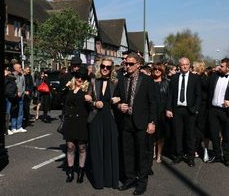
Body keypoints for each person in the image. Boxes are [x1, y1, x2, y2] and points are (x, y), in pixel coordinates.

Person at [114, 53, 157, 195]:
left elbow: (153, 102)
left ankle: (142, 182)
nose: (127, 66)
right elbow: (115, 98)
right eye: (126, 63)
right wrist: (119, 105)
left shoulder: (147, 80)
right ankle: (130, 179)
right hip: (125, 122)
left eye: (131, 64)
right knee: (127, 153)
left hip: (142, 123)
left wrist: (152, 122)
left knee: (142, 154)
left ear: (138, 64)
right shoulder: (122, 79)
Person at [86, 57, 120, 189]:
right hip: (96, 118)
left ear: (112, 69)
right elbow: (88, 99)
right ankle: (99, 181)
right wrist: (94, 103)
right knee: (96, 149)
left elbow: (122, 97)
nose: (105, 69)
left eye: (108, 67)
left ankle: (111, 180)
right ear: (100, 67)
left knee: (110, 148)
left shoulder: (116, 82)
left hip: (110, 118)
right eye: (103, 66)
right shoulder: (94, 81)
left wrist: (118, 99)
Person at [166, 57, 201, 167]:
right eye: (182, 64)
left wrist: (195, 109)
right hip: (177, 110)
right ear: (179, 66)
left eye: (187, 64)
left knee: (190, 135)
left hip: (189, 110)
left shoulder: (195, 78)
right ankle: (179, 155)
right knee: (177, 134)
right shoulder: (174, 78)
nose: (185, 66)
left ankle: (190, 157)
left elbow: (198, 95)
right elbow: (170, 94)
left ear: (189, 65)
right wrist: (169, 109)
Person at [61, 67, 90, 183]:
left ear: (85, 80)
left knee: (82, 147)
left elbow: (88, 104)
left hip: (82, 121)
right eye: (77, 76)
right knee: (70, 147)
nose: (79, 79)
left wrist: (85, 97)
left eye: (82, 77)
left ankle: (81, 171)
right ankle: (70, 171)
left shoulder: (88, 90)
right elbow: (57, 100)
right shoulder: (69, 89)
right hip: (70, 121)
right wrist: (65, 88)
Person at [192, 61, 211, 162]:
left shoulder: (205, 78)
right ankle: (195, 149)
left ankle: (205, 151)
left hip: (203, 108)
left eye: (194, 67)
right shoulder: (194, 77)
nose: (192, 68)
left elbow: (206, 88)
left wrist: (197, 77)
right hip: (195, 107)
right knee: (194, 129)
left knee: (203, 130)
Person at [152, 62, 170, 164]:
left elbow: (169, 98)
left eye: (159, 69)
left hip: (163, 112)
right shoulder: (149, 81)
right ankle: (153, 152)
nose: (157, 71)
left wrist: (168, 109)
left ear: (162, 71)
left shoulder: (167, 82)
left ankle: (159, 154)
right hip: (151, 112)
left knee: (161, 135)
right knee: (151, 134)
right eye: (155, 69)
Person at [11, 63, 27, 133]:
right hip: (15, 96)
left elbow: (24, 85)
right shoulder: (12, 76)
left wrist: (22, 92)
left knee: (20, 111)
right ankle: (13, 127)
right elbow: (12, 86)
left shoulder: (22, 75)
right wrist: (17, 92)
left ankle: (19, 126)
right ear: (15, 68)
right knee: (14, 111)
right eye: (20, 68)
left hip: (21, 96)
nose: (21, 69)